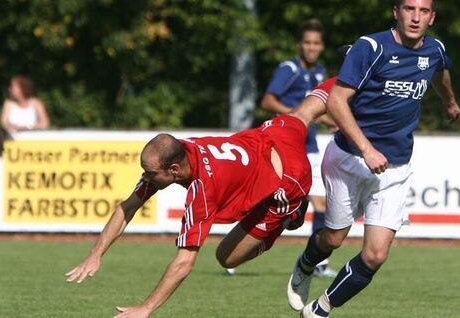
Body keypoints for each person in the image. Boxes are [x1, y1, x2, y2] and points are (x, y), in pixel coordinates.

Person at [65, 78, 337, 318]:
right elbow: (127, 207)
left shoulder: (201, 191)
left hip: (287, 180)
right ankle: (355, 63)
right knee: (308, 107)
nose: (145, 178)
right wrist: (95, 254)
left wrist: (145, 308)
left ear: (173, 170)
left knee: (226, 258)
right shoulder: (181, 151)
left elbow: (184, 263)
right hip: (271, 135)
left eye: (149, 173)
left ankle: (294, 213)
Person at [287, 0, 460, 317]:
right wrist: (367, 148)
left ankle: (319, 310)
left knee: (375, 255)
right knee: (334, 239)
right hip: (349, 159)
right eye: (409, 8)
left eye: (423, 11)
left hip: (395, 167)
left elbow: (441, 74)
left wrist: (450, 103)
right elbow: (337, 101)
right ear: (396, 12)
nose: (415, 17)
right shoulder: (371, 47)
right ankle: (306, 264)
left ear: (432, 18)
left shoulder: (435, 50)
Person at [261, 18, 336, 278]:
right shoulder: (289, 69)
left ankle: (317, 263)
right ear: (300, 45)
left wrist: (333, 122)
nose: (311, 48)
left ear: (322, 46)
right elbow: (268, 100)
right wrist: (295, 116)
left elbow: (314, 110)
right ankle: (238, 250)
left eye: (316, 43)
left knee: (321, 203)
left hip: (311, 147)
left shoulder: (319, 73)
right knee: (270, 201)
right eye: (307, 43)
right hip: (286, 146)